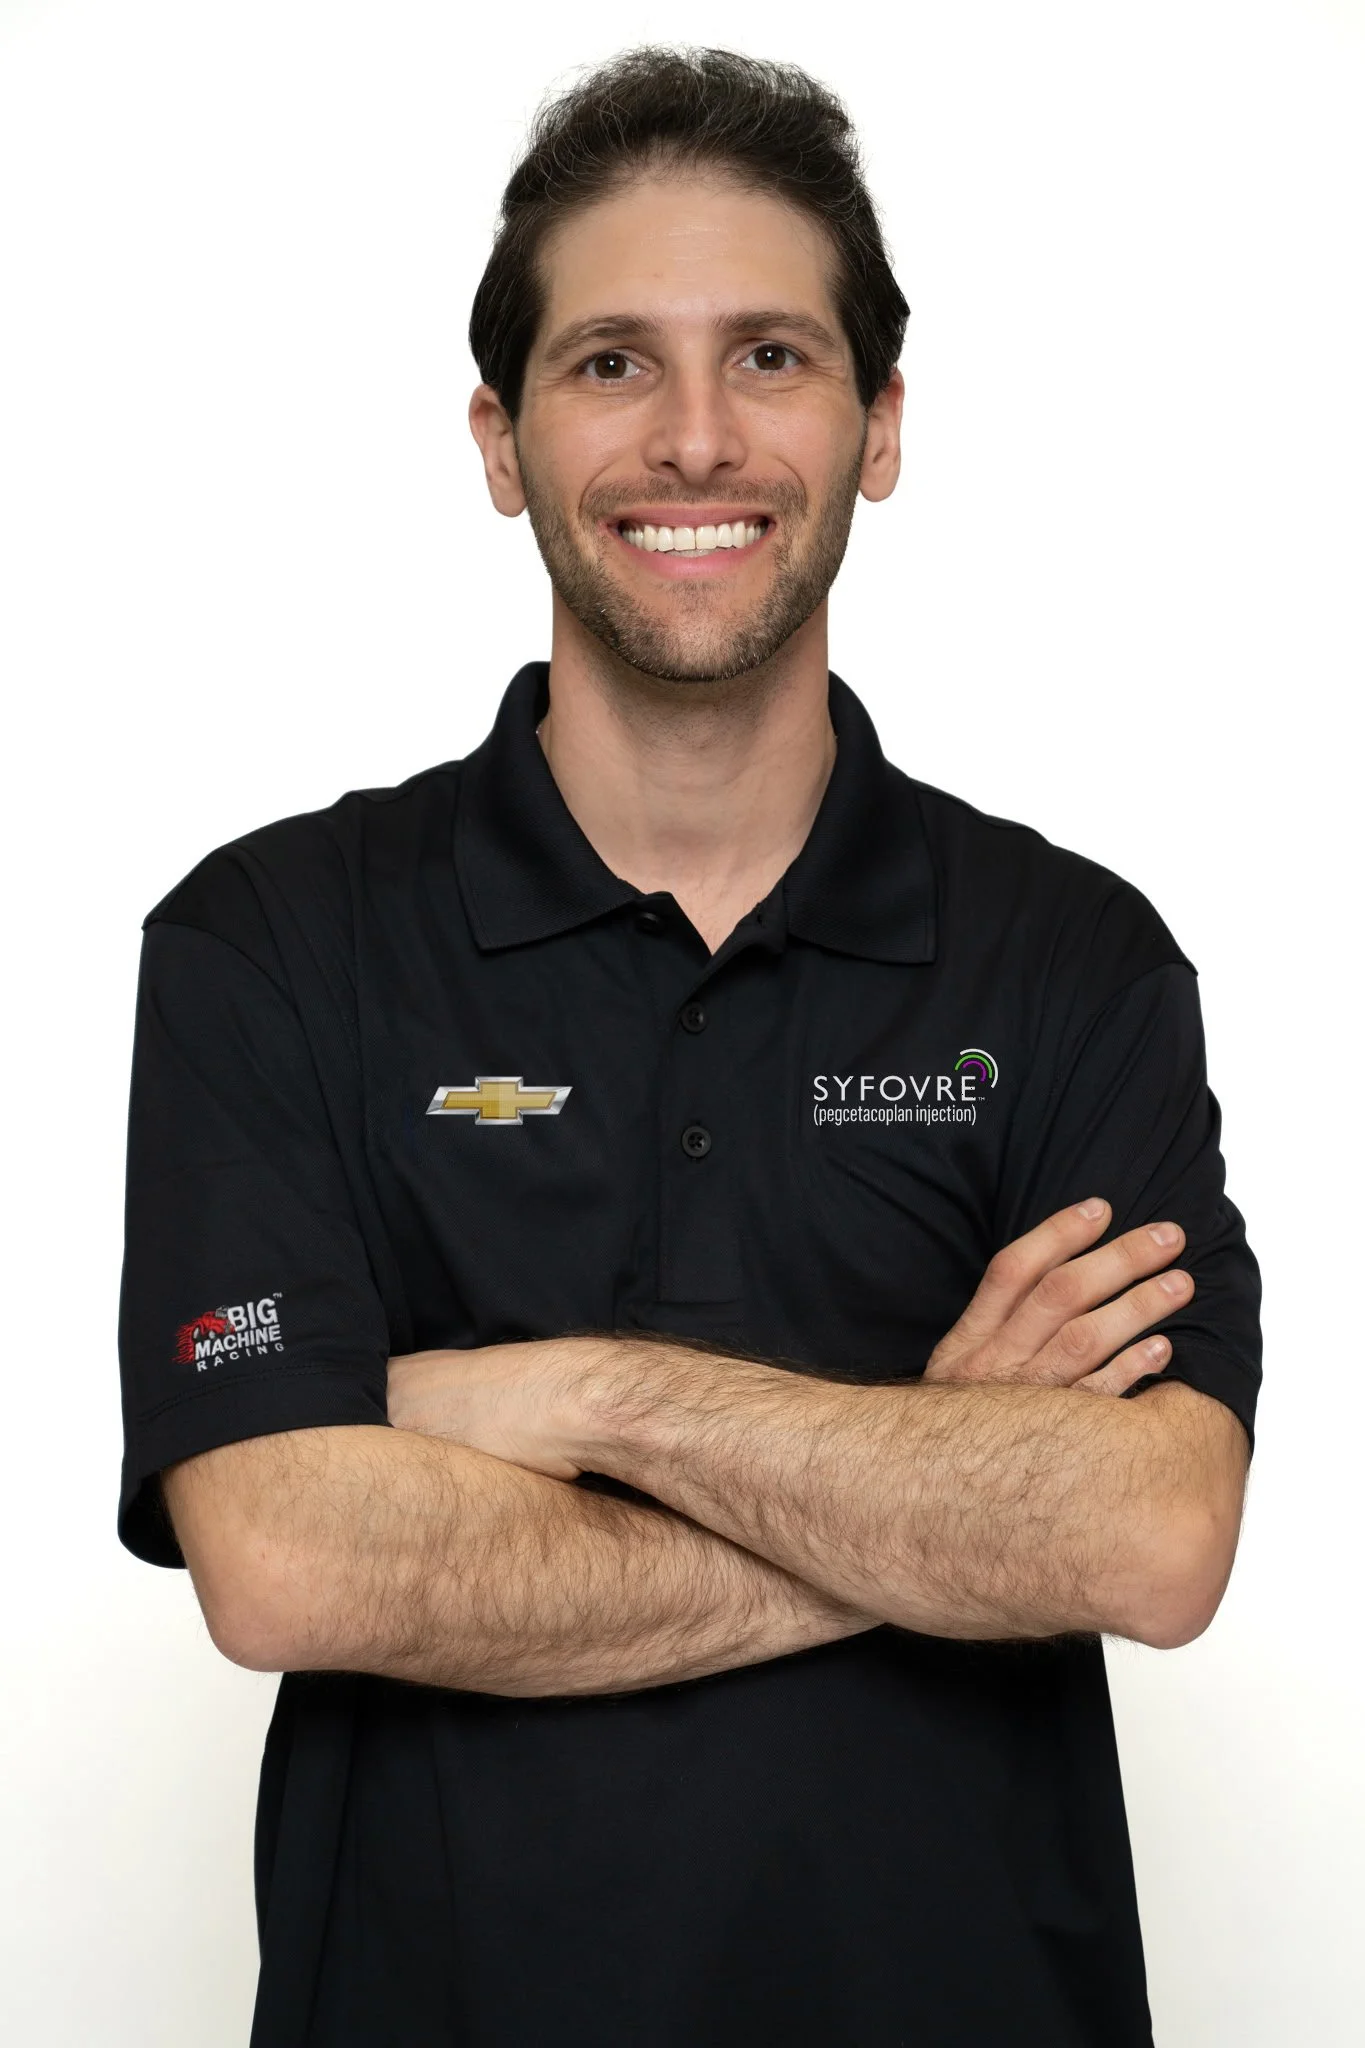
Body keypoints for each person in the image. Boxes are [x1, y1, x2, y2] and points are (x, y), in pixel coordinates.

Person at [117, 46, 1260, 2048]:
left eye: (772, 358)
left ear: (880, 423)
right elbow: (288, 1562)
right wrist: (931, 1490)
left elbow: (1152, 1537)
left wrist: (562, 1395)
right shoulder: (275, 942)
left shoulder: (1072, 959)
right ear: (501, 439)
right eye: (612, 363)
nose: (698, 438)